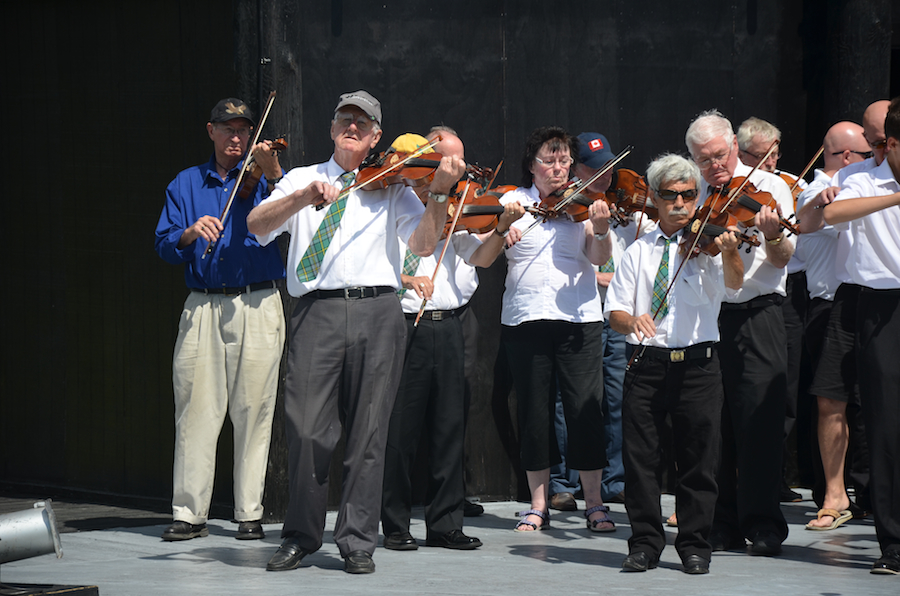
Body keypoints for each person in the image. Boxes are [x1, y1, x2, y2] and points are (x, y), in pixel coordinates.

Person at [246, 90, 465, 574]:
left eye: (362, 123)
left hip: (379, 310)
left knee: (369, 431)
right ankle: (302, 536)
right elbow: (256, 225)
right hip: (316, 311)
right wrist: (301, 198)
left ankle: (357, 541)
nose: (353, 126)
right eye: (345, 118)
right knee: (305, 428)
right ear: (332, 128)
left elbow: (424, 245)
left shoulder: (394, 188)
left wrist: (440, 194)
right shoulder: (304, 178)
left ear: (375, 137)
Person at [380, 130, 522, 551]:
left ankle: (445, 524)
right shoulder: (392, 202)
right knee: (400, 430)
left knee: (449, 426)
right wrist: (405, 278)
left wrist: (499, 228)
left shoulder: (454, 208)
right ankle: (395, 524)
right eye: (443, 163)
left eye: (456, 165)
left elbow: (479, 257)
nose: (451, 172)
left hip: (448, 324)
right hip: (404, 322)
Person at [154, 97, 286, 542]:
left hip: (258, 300)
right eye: (228, 129)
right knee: (196, 409)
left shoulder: (268, 179)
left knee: (255, 409)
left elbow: (292, 218)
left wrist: (271, 174)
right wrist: (190, 232)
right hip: (203, 303)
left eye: (244, 130)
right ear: (210, 130)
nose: (237, 137)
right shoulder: (186, 183)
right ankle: (189, 513)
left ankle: (249, 512)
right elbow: (163, 243)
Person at [606, 153, 744, 575]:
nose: (682, 204)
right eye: (671, 196)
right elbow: (614, 313)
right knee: (642, 461)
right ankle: (645, 544)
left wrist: (730, 253)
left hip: (699, 366)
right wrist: (634, 319)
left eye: (689, 195)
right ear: (656, 199)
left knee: (699, 459)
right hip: (647, 363)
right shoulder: (637, 251)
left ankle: (695, 545)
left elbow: (735, 287)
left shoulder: (709, 244)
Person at [491, 126, 615, 533]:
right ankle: (539, 503)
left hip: (578, 320)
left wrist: (600, 229)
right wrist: (501, 228)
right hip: (525, 320)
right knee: (534, 413)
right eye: (550, 160)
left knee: (585, 411)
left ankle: (594, 502)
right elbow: (487, 250)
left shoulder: (584, 204)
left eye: (565, 161)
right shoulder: (513, 202)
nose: (559, 168)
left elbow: (598, 257)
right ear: (532, 166)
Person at [686, 110, 796, 556]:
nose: (715, 167)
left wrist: (770, 237)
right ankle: (721, 522)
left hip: (758, 312)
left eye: (719, 155)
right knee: (714, 424)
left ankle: (764, 522)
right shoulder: (692, 191)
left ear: (735, 145)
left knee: (760, 423)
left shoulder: (770, 188)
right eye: (704, 160)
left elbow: (784, 255)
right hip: (708, 316)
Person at [797, 100, 890, 522]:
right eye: (874, 143)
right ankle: (836, 494)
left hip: (893, 295)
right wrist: (820, 200)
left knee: (882, 405)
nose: (880, 151)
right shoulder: (854, 176)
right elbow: (812, 222)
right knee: (830, 396)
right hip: (851, 295)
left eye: (885, 143)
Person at [822, 95, 900, 575]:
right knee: (887, 427)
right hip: (883, 307)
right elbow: (829, 216)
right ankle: (893, 542)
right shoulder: (858, 178)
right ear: (890, 143)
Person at [738, 116, 808, 503]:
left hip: (772, 299)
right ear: (742, 152)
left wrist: (776, 230)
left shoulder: (781, 186)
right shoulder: (720, 188)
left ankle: (770, 485)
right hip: (722, 305)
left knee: (775, 395)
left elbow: (784, 253)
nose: (771, 161)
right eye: (763, 155)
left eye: (775, 154)